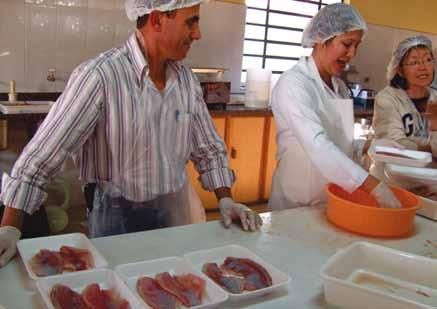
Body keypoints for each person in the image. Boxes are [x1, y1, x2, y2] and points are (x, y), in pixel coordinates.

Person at [0, 0, 262, 267]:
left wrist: (226, 200)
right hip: (116, 221)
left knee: (175, 286)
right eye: (190, 21)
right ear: (157, 19)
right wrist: (10, 227)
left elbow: (209, 149)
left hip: (175, 215)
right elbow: (43, 154)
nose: (197, 34)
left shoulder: (186, 81)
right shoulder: (100, 77)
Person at [268, 3, 403, 211]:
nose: (352, 54)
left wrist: (366, 146)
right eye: (347, 43)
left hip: (333, 198)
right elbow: (318, 144)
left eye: (356, 46)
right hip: (296, 204)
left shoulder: (338, 87)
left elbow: (339, 139)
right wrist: (374, 187)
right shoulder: (294, 84)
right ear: (322, 39)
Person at [372, 36, 437, 152]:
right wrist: (431, 149)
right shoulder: (388, 98)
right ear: (400, 70)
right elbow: (394, 144)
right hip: (394, 169)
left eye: (428, 60)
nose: (423, 67)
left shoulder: (435, 98)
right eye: (414, 62)